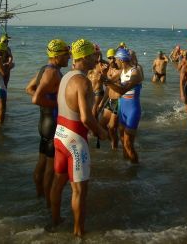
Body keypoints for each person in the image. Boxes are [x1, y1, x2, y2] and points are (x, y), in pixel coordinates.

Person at [49, 39, 107, 237]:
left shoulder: (66, 76)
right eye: (93, 56)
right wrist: (101, 131)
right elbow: (85, 117)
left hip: (59, 135)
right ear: (83, 57)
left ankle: (54, 222)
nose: (96, 59)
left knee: (58, 182)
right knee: (79, 191)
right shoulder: (82, 81)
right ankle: (79, 233)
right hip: (75, 140)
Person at [25, 39, 70, 208]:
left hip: (44, 122)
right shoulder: (52, 73)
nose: (69, 58)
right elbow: (36, 98)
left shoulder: (45, 69)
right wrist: (59, 104)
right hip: (51, 124)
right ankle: (48, 206)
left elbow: (29, 88)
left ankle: (39, 197)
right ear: (57, 56)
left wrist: (49, 100)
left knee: (42, 163)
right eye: (66, 54)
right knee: (50, 170)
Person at [104, 48, 143, 163]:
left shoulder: (135, 73)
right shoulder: (122, 72)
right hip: (122, 109)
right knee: (122, 140)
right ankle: (127, 168)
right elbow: (108, 80)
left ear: (121, 60)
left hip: (132, 110)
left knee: (128, 144)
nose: (115, 62)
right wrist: (104, 74)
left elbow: (122, 90)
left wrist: (108, 82)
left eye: (116, 60)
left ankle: (135, 169)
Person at [98, 48, 122, 149]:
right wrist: (102, 102)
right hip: (111, 101)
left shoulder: (121, 71)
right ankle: (114, 142)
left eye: (113, 58)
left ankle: (115, 147)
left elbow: (110, 81)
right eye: (109, 58)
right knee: (101, 125)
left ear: (117, 58)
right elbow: (108, 88)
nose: (111, 60)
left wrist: (104, 75)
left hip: (119, 102)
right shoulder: (109, 70)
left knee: (112, 127)